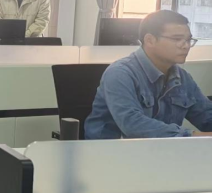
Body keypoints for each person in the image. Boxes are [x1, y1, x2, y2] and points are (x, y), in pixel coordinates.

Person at [85, 10, 212, 139]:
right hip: (110, 149)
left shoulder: (182, 78)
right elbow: (132, 125)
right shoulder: (120, 73)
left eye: (188, 40)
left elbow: (206, 116)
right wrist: (194, 136)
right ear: (150, 40)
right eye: (177, 39)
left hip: (161, 149)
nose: (186, 46)